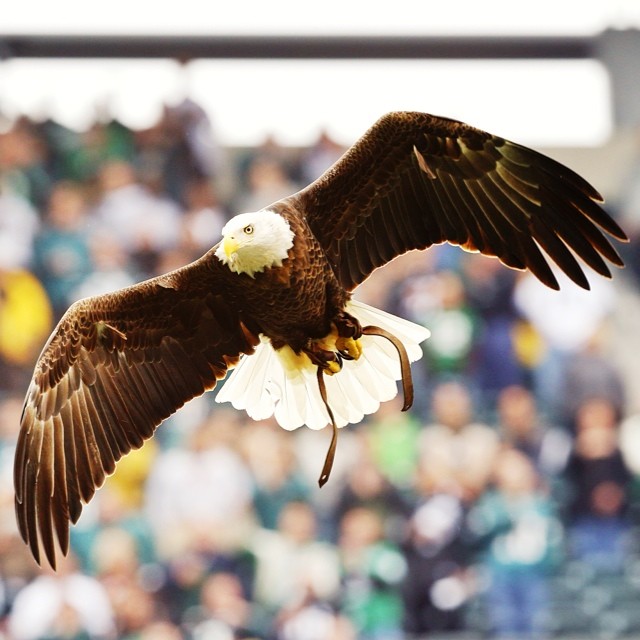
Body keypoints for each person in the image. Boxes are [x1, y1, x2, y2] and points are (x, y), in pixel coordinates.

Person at [468, 448, 562, 639]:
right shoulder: (492, 502)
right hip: (501, 574)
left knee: (535, 623)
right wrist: (508, 506)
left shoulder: (540, 503)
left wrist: (551, 563)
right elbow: (478, 528)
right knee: (506, 623)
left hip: (534, 573)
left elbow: (552, 537)